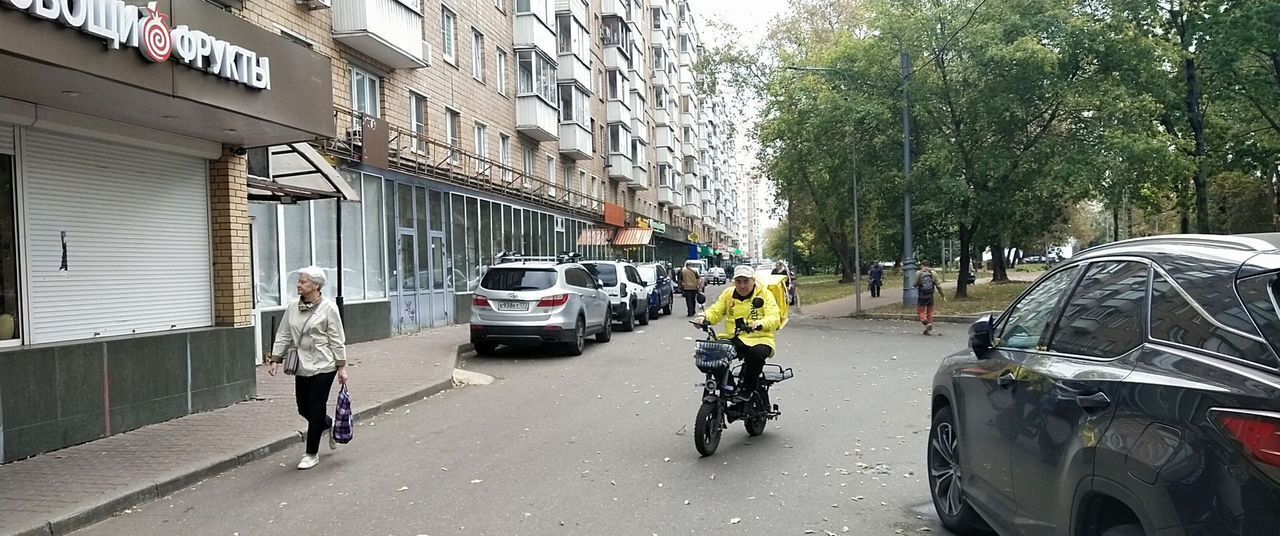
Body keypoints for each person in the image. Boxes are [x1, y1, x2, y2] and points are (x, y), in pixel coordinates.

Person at [266, 266, 349, 470]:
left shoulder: (329, 308)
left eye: (303, 282)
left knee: (315, 407)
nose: (298, 285)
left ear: (316, 285)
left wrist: (341, 367)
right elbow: (284, 333)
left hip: (324, 364)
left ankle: (311, 453)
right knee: (303, 407)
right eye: (299, 281)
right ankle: (328, 424)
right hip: (301, 365)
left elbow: (337, 339)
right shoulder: (293, 307)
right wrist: (276, 359)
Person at [694, 266, 782, 404]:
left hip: (760, 338)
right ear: (734, 282)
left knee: (756, 354)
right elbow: (716, 311)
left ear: (753, 281)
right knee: (712, 354)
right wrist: (703, 317)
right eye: (739, 281)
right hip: (734, 338)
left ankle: (748, 388)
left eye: (746, 281)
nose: (742, 285)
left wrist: (760, 323)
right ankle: (729, 388)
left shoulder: (764, 294)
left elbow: (774, 317)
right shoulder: (728, 294)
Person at [913, 260, 943, 335]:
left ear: (922, 265)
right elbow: (938, 285)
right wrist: (942, 295)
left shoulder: (919, 273)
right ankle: (929, 327)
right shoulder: (933, 273)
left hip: (922, 295)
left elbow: (914, 284)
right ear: (929, 266)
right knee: (930, 312)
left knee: (920, 311)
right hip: (930, 295)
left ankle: (926, 324)